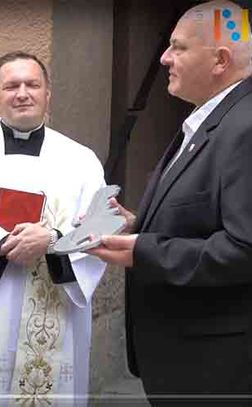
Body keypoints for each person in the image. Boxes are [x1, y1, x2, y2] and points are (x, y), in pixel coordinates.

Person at [89, 0, 252, 405]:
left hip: (219, 370)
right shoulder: (213, 119)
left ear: (220, 60)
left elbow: (244, 248)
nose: (164, 58)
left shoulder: (245, 127)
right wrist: (138, 224)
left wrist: (144, 251)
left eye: (178, 47)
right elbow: (207, 218)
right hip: (188, 361)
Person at [0, 51, 106, 406]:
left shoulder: (81, 159)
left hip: (53, 306)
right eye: (11, 85)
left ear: (47, 94)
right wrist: (0, 244)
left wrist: (53, 240)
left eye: (32, 84)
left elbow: (100, 225)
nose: (22, 93)